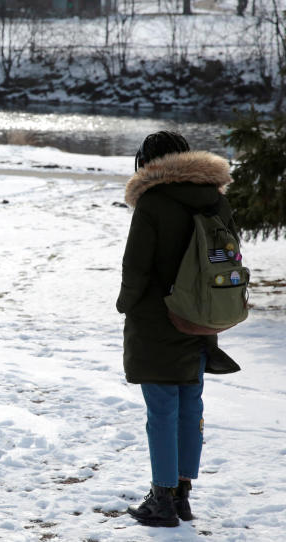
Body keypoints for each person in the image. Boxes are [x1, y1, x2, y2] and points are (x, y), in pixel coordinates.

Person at [116, 131, 241, 527]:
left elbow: (136, 268)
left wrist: (125, 304)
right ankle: (183, 494)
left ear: (148, 163)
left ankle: (162, 499)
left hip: (157, 319)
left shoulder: (153, 202)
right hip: (200, 318)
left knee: (162, 409)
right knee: (191, 405)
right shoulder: (216, 199)